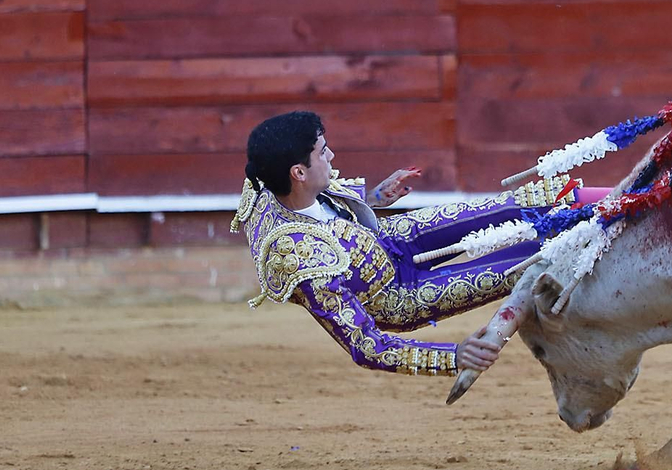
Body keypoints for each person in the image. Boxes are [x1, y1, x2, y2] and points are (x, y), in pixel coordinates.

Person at [230, 111, 576, 378]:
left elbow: (324, 206)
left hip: (390, 238)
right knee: (530, 264)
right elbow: (367, 346)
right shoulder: (298, 260)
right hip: (400, 295)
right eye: (322, 152)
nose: (331, 155)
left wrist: (373, 199)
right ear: (298, 173)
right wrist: (451, 356)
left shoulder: (269, 178)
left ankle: (612, 200)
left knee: (507, 206)